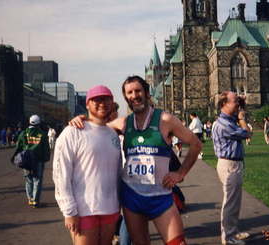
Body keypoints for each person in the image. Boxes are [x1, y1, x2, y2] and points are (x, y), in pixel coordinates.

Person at [70, 75, 202, 245]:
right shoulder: (124, 123)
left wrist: (180, 173)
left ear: (147, 93)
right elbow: (97, 127)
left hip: (160, 197)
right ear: (126, 98)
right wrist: (82, 119)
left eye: (138, 90)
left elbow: (196, 144)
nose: (134, 95)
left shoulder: (165, 120)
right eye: (129, 92)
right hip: (132, 198)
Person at [53, 85, 121, 245]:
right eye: (96, 100)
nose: (102, 103)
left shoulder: (113, 135)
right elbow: (61, 173)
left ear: (112, 104)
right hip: (83, 210)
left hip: (110, 209)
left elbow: (117, 173)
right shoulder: (73, 132)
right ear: (87, 104)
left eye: (106, 99)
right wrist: (69, 211)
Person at [212, 91, 251, 245]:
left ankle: (233, 232)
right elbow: (247, 133)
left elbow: (236, 114)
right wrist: (241, 118)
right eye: (234, 101)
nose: (237, 104)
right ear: (224, 104)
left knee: (234, 201)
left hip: (230, 163)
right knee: (230, 202)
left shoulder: (226, 120)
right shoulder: (224, 125)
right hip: (229, 165)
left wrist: (240, 103)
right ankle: (228, 238)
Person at [15, 115, 50, 208]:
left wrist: (16, 157)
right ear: (39, 123)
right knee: (37, 180)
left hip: (26, 160)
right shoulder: (42, 134)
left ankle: (30, 199)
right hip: (38, 160)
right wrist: (46, 158)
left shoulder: (23, 133)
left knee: (28, 179)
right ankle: (35, 201)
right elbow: (46, 149)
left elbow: (18, 146)